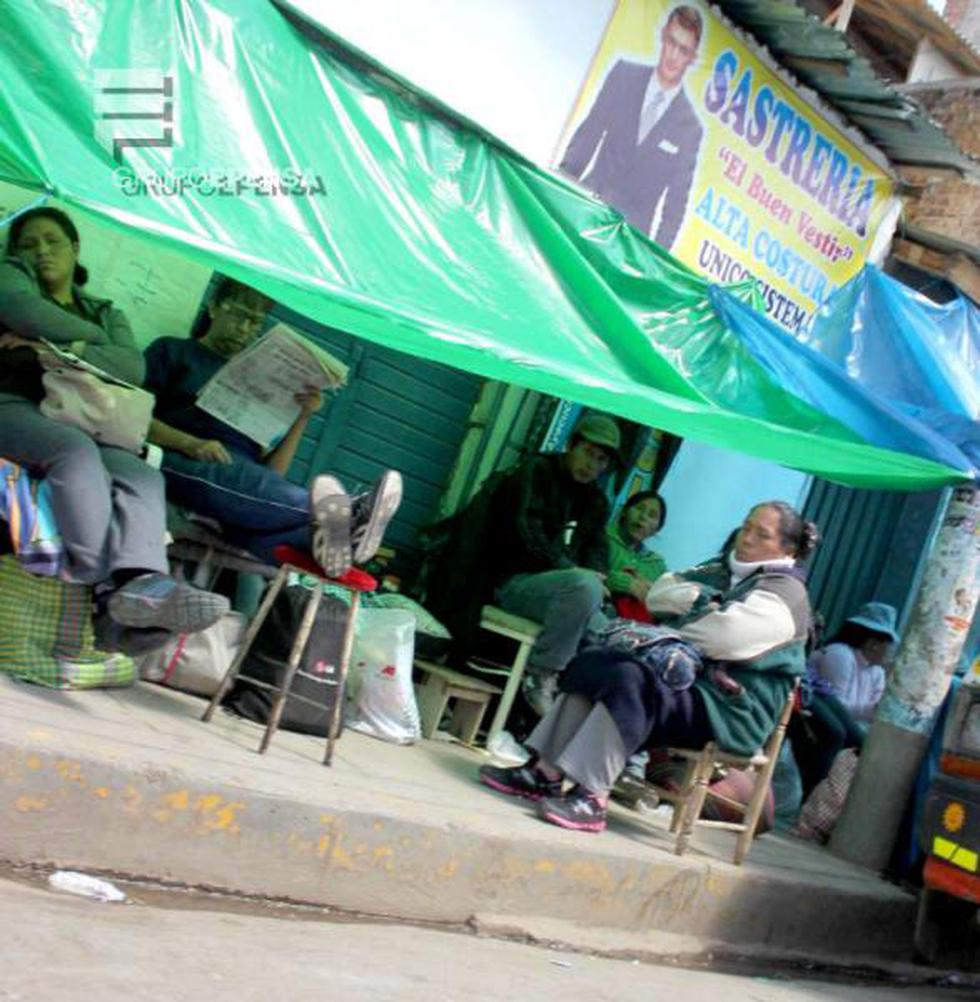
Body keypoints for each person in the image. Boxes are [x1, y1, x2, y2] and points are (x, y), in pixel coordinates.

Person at [480, 500, 820, 834]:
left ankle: (591, 797)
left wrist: (681, 619)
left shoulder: (786, 593)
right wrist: (706, 603)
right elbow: (659, 593)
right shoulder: (721, 569)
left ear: (786, 549)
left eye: (761, 535)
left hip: (728, 707)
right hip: (686, 681)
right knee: (598, 660)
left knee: (633, 679)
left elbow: (725, 636)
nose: (746, 538)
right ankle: (545, 773)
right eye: (746, 527)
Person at [0, 206, 228, 654]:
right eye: (29, 244)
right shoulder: (10, 279)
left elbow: (133, 367)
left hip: (83, 414)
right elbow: (23, 312)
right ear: (16, 255)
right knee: (74, 453)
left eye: (53, 240)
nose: (42, 250)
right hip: (14, 405)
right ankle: (108, 585)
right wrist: (83, 343)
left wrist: (65, 343)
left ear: (75, 248)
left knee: (142, 474)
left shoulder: (106, 312)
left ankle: (139, 584)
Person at [142, 277, 401, 577]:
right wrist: (190, 443)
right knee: (250, 484)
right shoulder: (172, 352)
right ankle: (348, 518)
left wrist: (304, 416)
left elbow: (272, 474)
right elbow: (133, 419)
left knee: (289, 534)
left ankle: (343, 542)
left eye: (255, 322)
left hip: (242, 481)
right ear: (213, 306)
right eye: (240, 315)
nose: (245, 328)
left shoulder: (256, 375)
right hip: (185, 459)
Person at [489, 413, 621, 716]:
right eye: (588, 452)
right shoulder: (537, 472)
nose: (592, 465)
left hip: (569, 596)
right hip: (517, 583)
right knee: (583, 586)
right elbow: (525, 533)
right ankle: (541, 675)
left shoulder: (596, 501)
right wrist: (573, 571)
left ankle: (583, 713)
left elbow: (598, 550)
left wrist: (596, 574)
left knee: (613, 636)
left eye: (601, 460)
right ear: (571, 445)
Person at [558, 5, 704, 251]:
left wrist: (653, 258)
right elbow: (588, 135)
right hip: (585, 207)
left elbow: (675, 205)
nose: (673, 55)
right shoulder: (623, 75)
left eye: (683, 50)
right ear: (663, 36)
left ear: (692, 58)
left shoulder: (690, 127)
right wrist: (559, 188)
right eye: (671, 42)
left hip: (628, 241)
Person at [810, 602, 897, 725]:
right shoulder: (840, 655)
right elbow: (833, 707)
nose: (890, 651)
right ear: (874, 644)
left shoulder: (877, 671)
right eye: (888, 644)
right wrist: (872, 710)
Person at [606, 489, 667, 620]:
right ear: (623, 511)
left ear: (657, 529)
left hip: (636, 630)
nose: (643, 517)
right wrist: (626, 584)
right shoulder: (600, 538)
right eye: (639, 508)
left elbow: (667, 601)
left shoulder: (657, 564)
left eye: (652, 515)